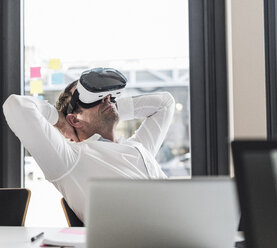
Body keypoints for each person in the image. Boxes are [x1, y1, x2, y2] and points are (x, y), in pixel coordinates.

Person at [3, 68, 175, 222]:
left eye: (104, 93)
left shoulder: (139, 146)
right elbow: (16, 106)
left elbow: (165, 104)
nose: (105, 97)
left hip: (178, 231)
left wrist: (110, 105)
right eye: (87, 95)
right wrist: (62, 122)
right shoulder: (71, 159)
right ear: (74, 119)